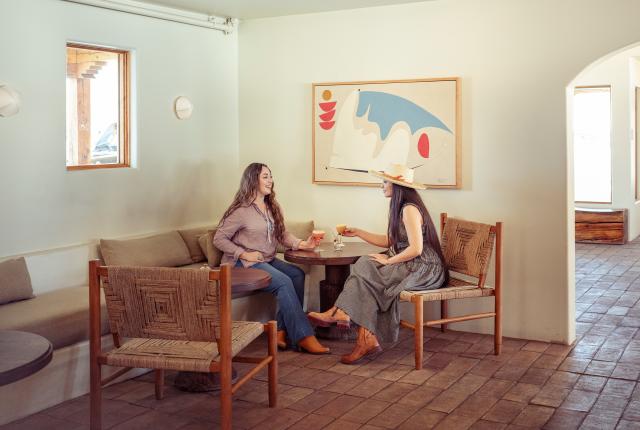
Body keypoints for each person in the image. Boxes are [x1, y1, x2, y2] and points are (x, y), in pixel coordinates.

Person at [308, 164, 448, 364]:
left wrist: (389, 260)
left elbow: (416, 249)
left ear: (396, 186)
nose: (381, 186)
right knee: (366, 264)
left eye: (384, 182)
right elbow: (390, 241)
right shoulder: (400, 207)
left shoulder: (409, 209)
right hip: (414, 263)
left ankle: (343, 314)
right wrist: (358, 232)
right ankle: (361, 334)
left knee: (369, 275)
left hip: (425, 268)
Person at [214, 162, 329, 354]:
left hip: (265, 259)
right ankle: (303, 336)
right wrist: (243, 253)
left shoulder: (272, 206)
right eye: (265, 177)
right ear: (253, 180)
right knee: (283, 282)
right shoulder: (241, 210)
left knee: (296, 275)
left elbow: (282, 234)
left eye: (271, 176)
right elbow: (219, 238)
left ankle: (281, 332)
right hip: (243, 264)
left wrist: (303, 244)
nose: (271, 180)